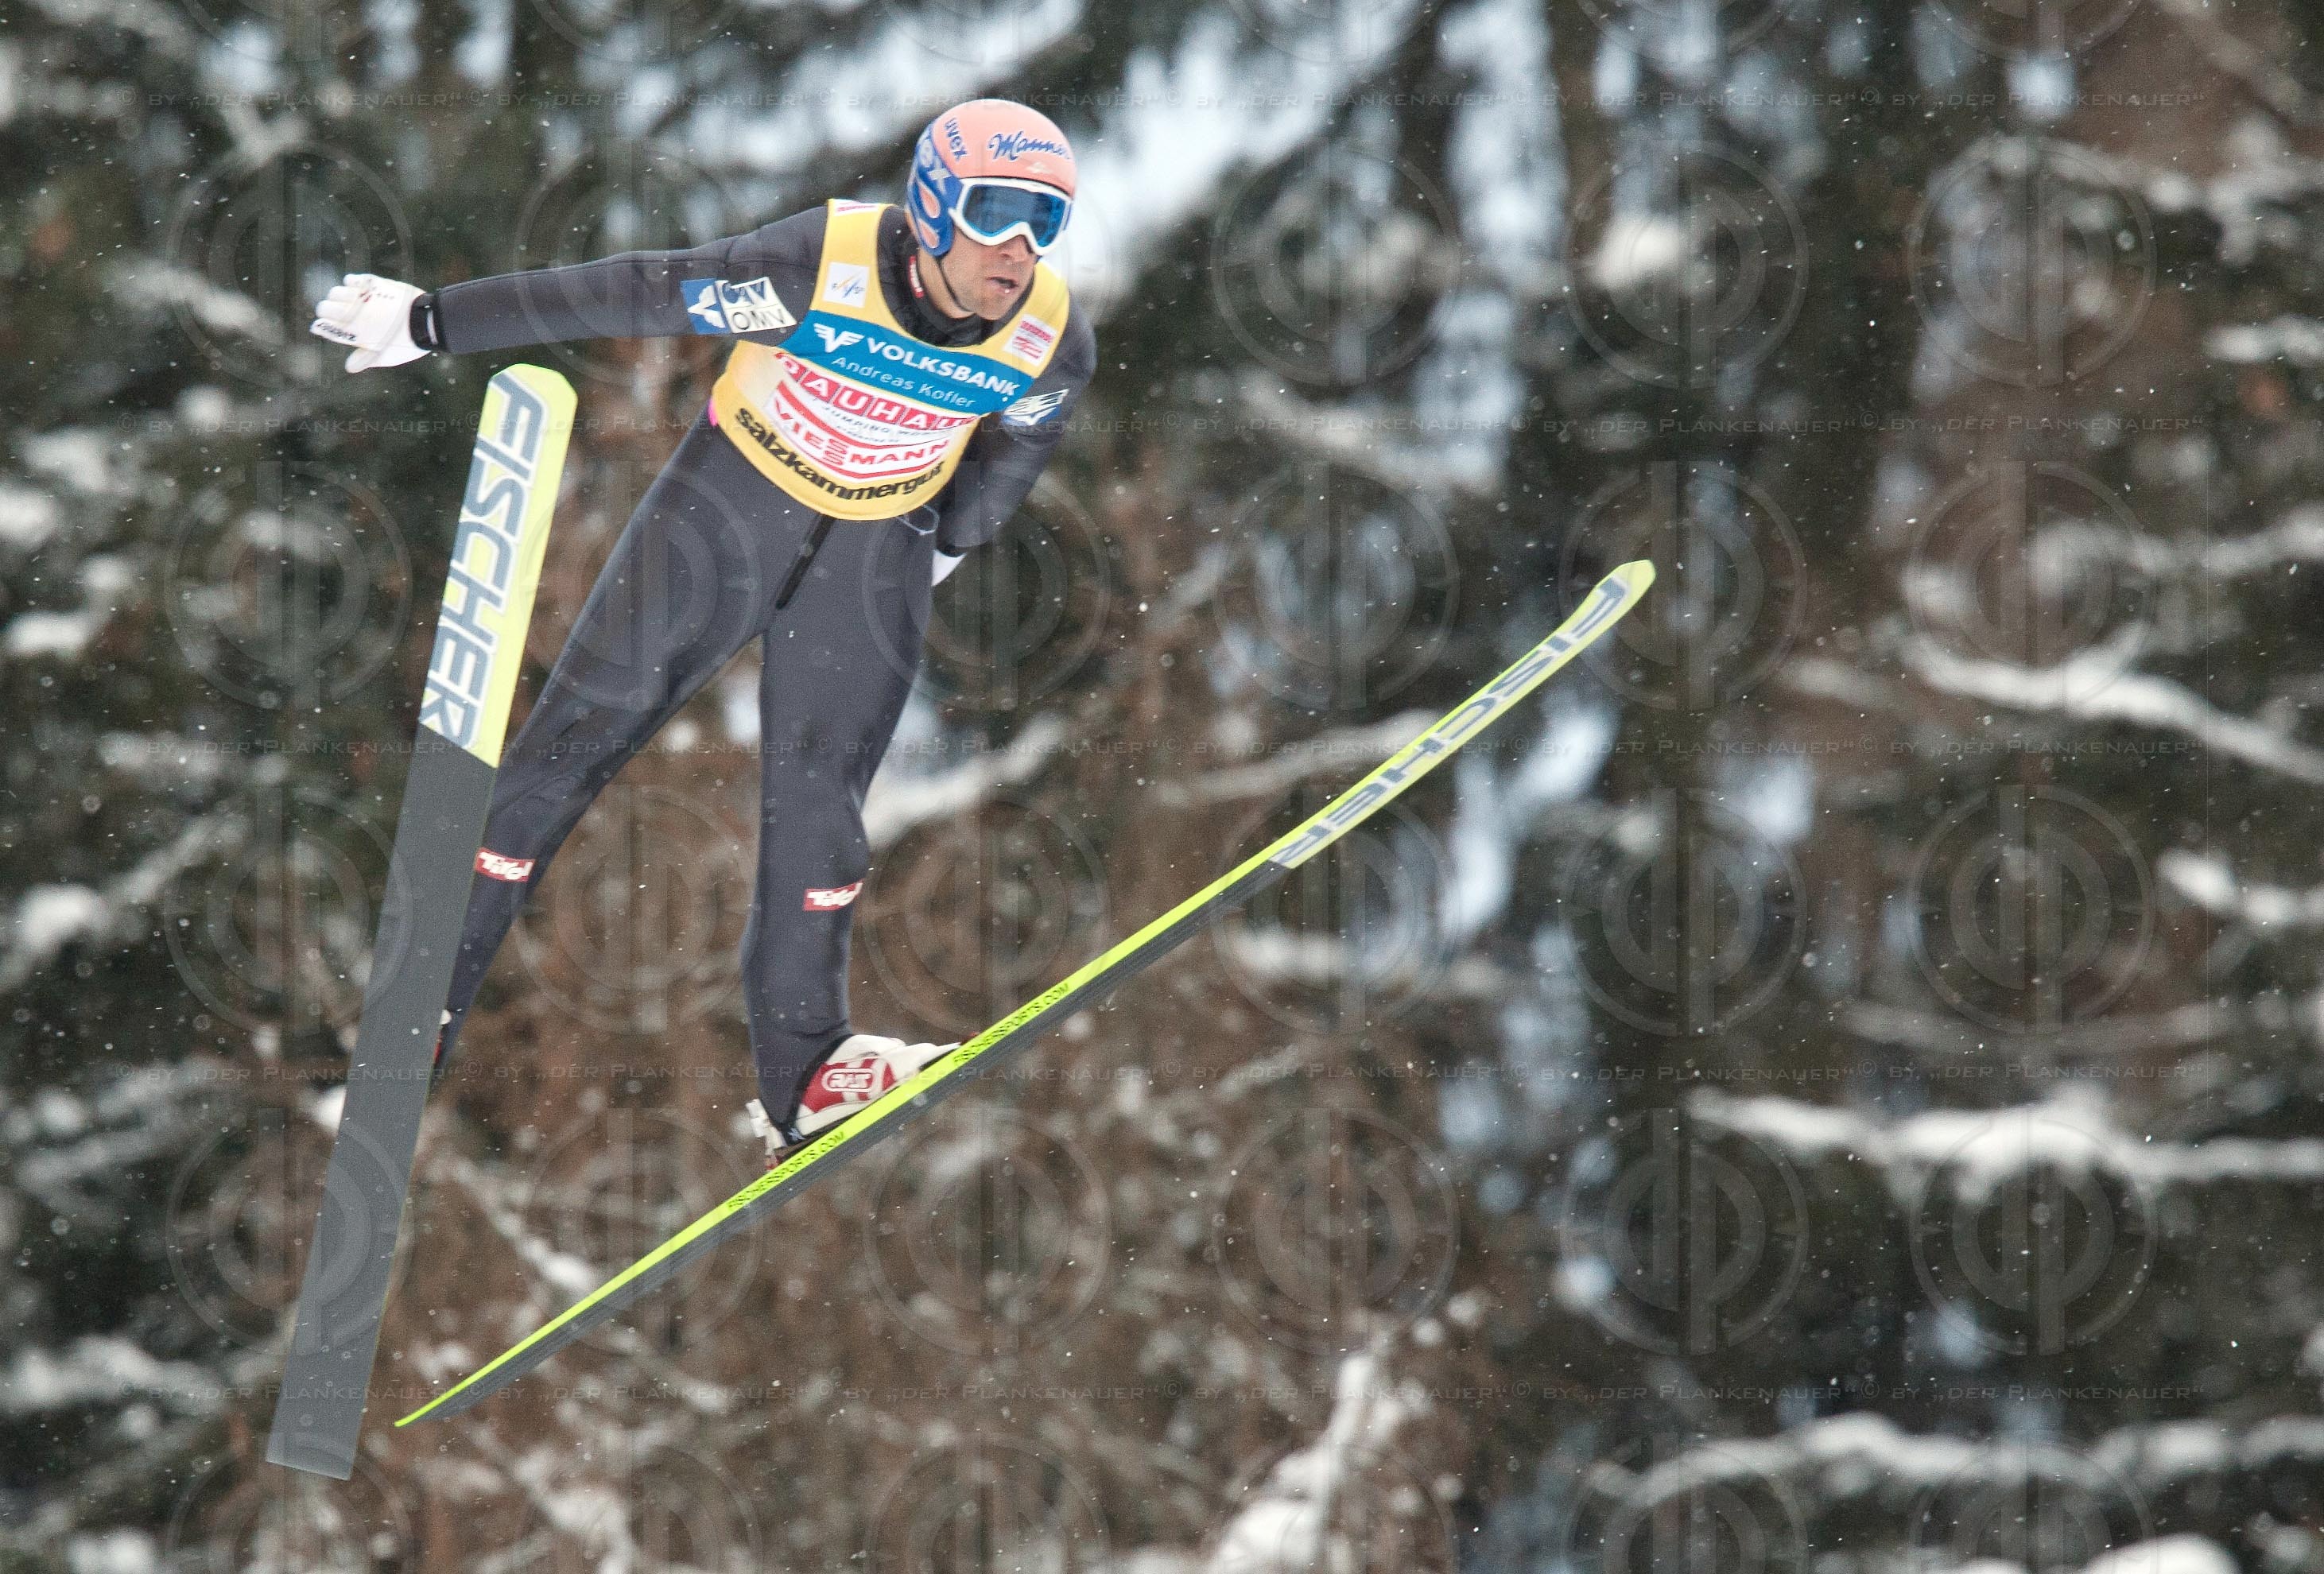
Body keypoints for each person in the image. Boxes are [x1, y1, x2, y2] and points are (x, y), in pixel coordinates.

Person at [310, 100, 1094, 1165]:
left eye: (1044, 222)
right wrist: (432, 321)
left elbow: (1015, 449)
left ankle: (808, 1075)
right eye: (996, 212)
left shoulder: (1050, 338)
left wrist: (950, 543)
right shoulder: (819, 265)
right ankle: (422, 1008)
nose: (1017, 248)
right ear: (931, 205)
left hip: (873, 559)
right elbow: (634, 290)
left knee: (823, 817)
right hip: (728, 517)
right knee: (571, 748)